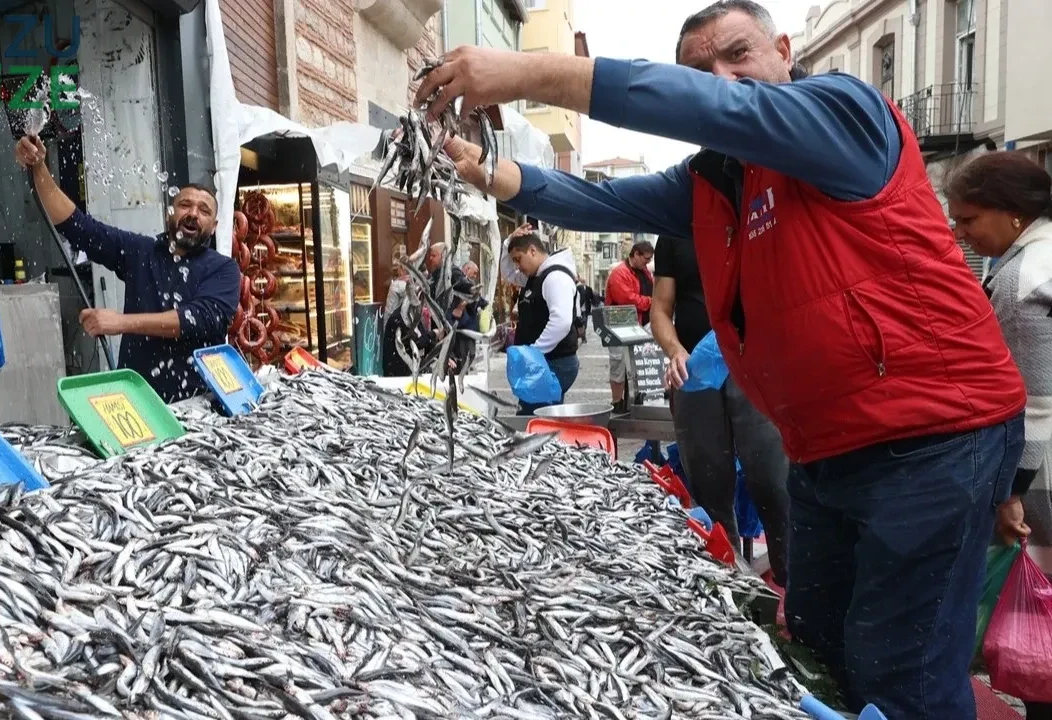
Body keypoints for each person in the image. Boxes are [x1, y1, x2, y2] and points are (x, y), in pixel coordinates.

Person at [414, 1, 1027, 715]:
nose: (723, 78)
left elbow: (718, 106)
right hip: (826, 447)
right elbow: (608, 200)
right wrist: (491, 173)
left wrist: (522, 73)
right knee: (818, 642)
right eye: (701, 70)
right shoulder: (713, 180)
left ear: (785, 51)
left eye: (739, 54)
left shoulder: (843, 114)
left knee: (902, 673)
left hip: (934, 438)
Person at [15, 137, 241, 403]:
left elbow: (195, 319)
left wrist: (121, 322)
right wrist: (39, 166)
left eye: (204, 210)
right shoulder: (141, 252)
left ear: (213, 227)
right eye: (184, 205)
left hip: (200, 404)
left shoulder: (224, 269)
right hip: (137, 400)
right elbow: (78, 227)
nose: (193, 213)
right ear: (169, 213)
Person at [947, 153, 1052, 720]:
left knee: (1042, 612)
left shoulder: (1022, 278)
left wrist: (1011, 492)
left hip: (1044, 468)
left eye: (969, 219)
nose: (961, 233)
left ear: (1013, 213)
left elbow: (1036, 405)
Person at [652, 233, 791, 587]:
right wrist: (675, 351)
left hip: (757, 367)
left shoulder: (757, 215)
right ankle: (727, 588)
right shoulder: (674, 232)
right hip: (694, 375)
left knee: (774, 483)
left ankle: (794, 586)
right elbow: (660, 309)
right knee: (708, 489)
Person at [507, 230, 579, 415]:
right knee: (538, 416)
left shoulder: (555, 277)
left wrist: (534, 352)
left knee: (534, 417)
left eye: (518, 259)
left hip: (554, 361)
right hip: (544, 361)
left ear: (532, 250)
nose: (517, 266)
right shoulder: (537, 275)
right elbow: (508, 274)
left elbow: (561, 322)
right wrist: (509, 240)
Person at [604, 240, 655, 413]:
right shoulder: (620, 273)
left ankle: (633, 399)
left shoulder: (643, 271)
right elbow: (629, 300)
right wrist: (651, 302)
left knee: (637, 363)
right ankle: (617, 402)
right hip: (619, 326)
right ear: (636, 254)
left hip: (638, 325)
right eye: (646, 258)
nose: (647, 262)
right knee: (618, 364)